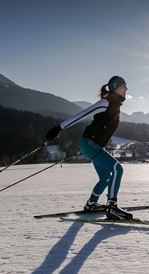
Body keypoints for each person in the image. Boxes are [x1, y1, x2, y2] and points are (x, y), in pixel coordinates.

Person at [45, 76, 133, 220]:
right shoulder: (105, 102)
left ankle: (91, 204)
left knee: (106, 177)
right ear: (116, 87)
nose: (126, 89)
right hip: (90, 144)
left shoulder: (115, 106)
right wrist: (58, 128)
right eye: (124, 86)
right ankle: (112, 206)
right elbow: (81, 115)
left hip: (94, 146)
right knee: (118, 168)